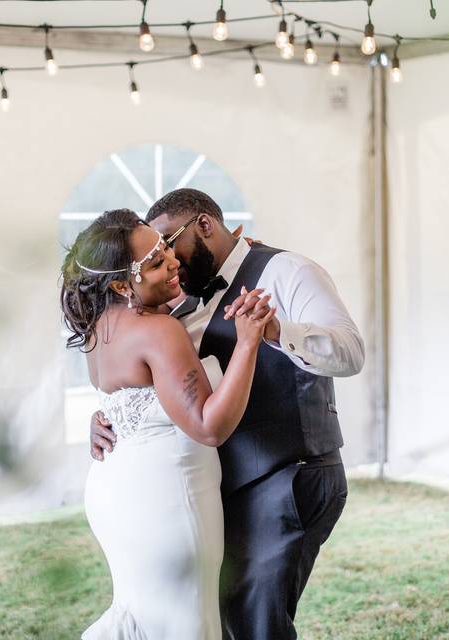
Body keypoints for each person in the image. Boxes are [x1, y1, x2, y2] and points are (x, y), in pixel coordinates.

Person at [90, 189, 365, 639]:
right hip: (221, 486)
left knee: (256, 625)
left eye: (167, 243)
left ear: (204, 225)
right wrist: (112, 415)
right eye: (155, 254)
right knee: (221, 619)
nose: (168, 258)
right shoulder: (177, 302)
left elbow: (351, 353)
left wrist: (277, 331)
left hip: (287, 475)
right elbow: (157, 382)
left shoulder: (288, 271)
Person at [61, 208, 276, 639]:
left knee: (146, 614)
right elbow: (209, 427)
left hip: (116, 497)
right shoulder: (158, 329)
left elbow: (124, 400)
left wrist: (98, 420)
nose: (173, 262)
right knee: (186, 622)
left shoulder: (96, 328)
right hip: (168, 504)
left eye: (164, 249)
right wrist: (249, 341)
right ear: (122, 283)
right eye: (156, 263)